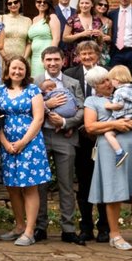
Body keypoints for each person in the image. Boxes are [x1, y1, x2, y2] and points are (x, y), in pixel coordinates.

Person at [82, 65, 132, 251]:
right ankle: (114, 235)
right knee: (113, 193)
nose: (107, 84)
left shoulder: (124, 94)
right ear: (95, 86)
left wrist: (131, 122)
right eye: (102, 82)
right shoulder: (92, 101)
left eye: (108, 79)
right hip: (110, 149)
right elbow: (90, 127)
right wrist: (115, 124)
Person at [0, 56, 52, 247]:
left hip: (30, 143)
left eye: (21, 68)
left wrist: (23, 142)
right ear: (7, 70)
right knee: (12, 186)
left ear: (26, 71)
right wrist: (5, 143)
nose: (17, 72)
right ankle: (19, 226)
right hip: (7, 144)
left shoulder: (33, 90)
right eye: (14, 68)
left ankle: (29, 231)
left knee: (29, 187)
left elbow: (39, 118)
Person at [35, 46, 85, 244]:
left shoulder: (73, 83)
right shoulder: (35, 82)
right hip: (40, 137)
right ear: (43, 62)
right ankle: (40, 227)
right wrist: (47, 105)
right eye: (48, 60)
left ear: (63, 61)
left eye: (56, 59)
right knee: (40, 184)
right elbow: (27, 107)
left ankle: (68, 229)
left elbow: (82, 109)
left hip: (65, 137)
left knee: (66, 184)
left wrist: (65, 122)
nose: (52, 63)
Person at [63, 39, 111, 243]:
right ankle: (86, 227)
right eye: (83, 54)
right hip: (81, 137)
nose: (87, 57)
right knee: (84, 184)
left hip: (105, 136)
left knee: (105, 183)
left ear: (98, 55)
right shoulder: (70, 75)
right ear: (78, 57)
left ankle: (105, 227)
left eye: (91, 53)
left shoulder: (107, 74)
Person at [61, 0, 107, 65]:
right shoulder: (72, 19)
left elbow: (101, 41)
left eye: (87, 3)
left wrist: (100, 35)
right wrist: (81, 34)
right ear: (79, 5)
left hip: (93, 56)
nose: (84, 5)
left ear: (92, 4)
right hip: (77, 55)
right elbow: (65, 38)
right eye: (82, 3)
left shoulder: (97, 20)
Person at [26, 0, 61, 80]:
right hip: (34, 57)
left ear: (49, 3)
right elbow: (30, 41)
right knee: (35, 80)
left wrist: (50, 57)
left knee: (45, 80)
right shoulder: (34, 19)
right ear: (35, 3)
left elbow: (56, 38)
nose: (42, 3)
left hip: (46, 55)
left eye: (45, 2)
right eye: (39, 1)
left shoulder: (52, 17)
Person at [0, 0, 32, 66]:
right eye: (9, 3)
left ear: (20, 3)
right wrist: (5, 58)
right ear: (7, 6)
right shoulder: (1, 18)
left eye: (15, 2)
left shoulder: (27, 20)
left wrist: (24, 59)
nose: (13, 5)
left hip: (22, 58)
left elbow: (29, 42)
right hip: (4, 59)